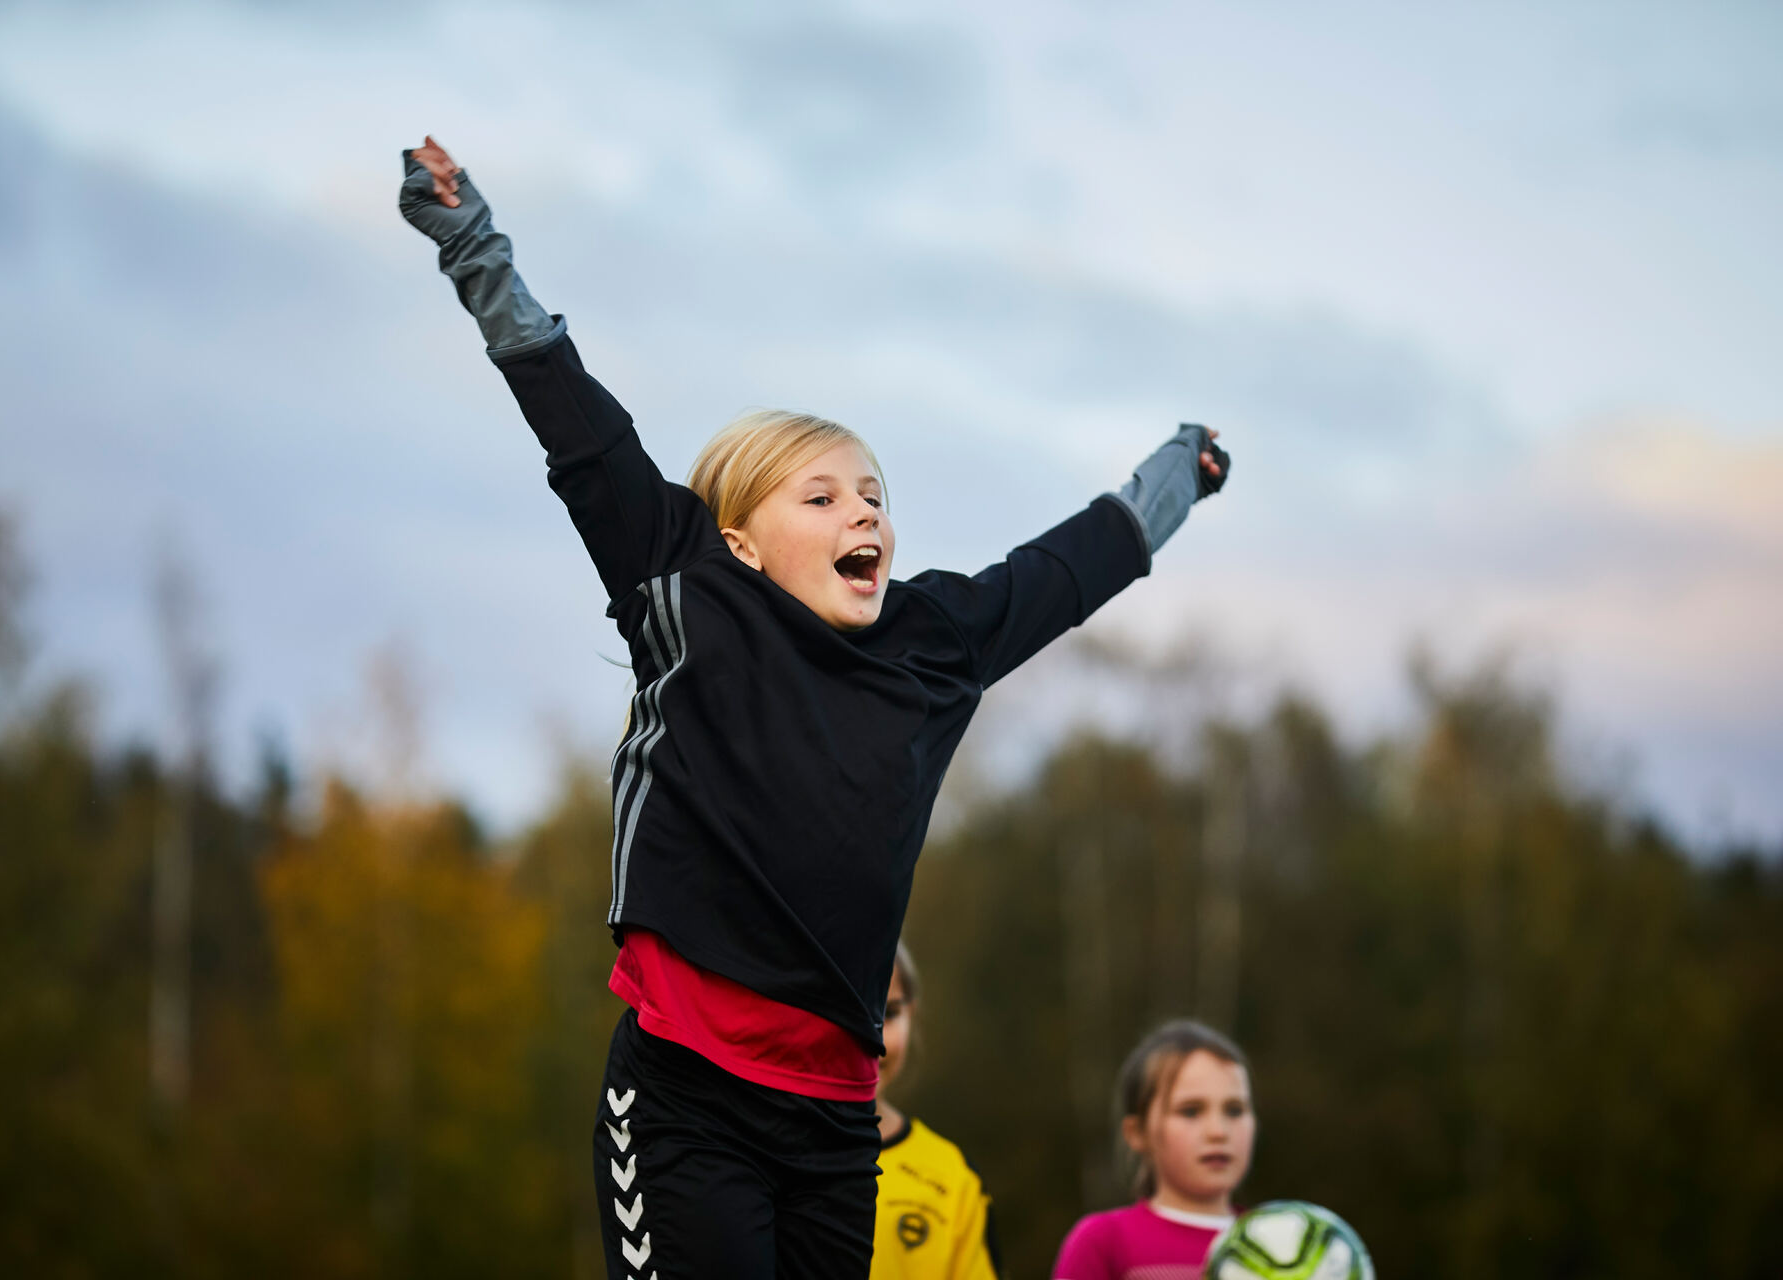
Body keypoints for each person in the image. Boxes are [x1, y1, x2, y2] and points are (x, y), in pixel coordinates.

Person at [399, 136, 1230, 1280]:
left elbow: (1067, 570)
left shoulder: (931, 645)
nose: (865, 514)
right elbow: (576, 420)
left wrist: (1178, 471)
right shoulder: (687, 586)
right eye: (825, 493)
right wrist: (470, 240)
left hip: (835, 1118)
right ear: (742, 535)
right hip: (688, 1095)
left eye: (877, 496)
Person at [1051, 1021, 1255, 1280]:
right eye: (1190, 1111)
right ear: (1137, 1133)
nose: (1219, 1131)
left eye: (1235, 1110)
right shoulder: (1104, 1242)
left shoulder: (1290, 1241)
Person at [871, 944, 1002, 1280]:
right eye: (846, 1013)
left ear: (912, 1013)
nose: (872, 1040)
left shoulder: (953, 1176)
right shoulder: (762, 1158)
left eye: (888, 1013)